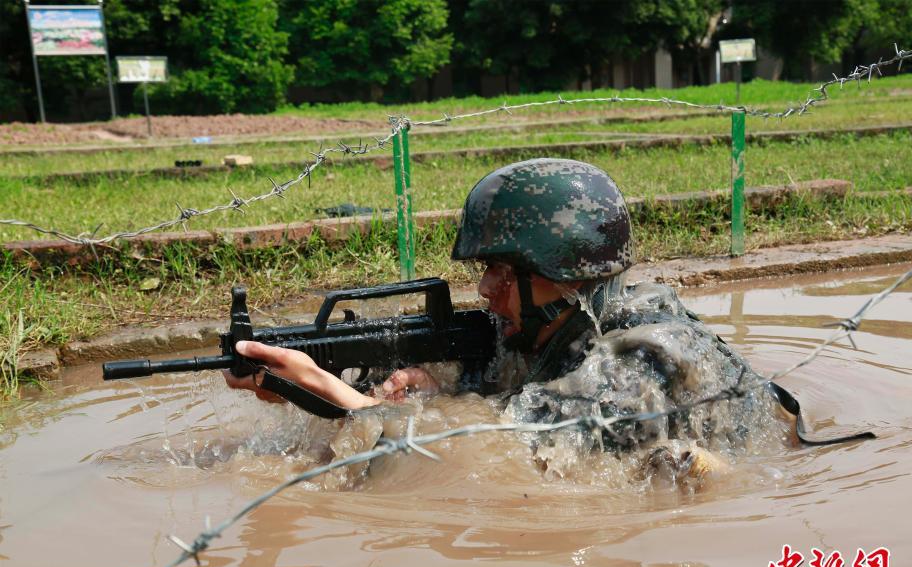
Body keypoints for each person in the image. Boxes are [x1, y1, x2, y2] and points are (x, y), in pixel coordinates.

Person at [225, 158, 785, 477]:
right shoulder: (555, 328)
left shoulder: (646, 359)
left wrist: (338, 396)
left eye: (501, 270)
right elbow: (504, 389)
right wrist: (417, 382)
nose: (486, 290)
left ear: (563, 273)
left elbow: (492, 449)